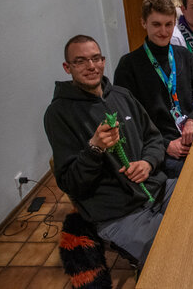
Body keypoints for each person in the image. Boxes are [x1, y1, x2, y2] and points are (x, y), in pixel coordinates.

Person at [44, 35, 174, 267]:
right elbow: (71, 183)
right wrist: (94, 148)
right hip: (119, 213)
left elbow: (154, 138)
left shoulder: (122, 95)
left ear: (103, 61)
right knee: (172, 257)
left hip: (157, 188)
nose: (91, 66)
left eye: (96, 58)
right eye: (81, 61)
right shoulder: (58, 114)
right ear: (67, 67)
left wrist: (147, 163)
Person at [114, 0, 193, 178]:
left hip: (190, 134)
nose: (163, 31)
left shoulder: (183, 55)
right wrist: (164, 145)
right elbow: (127, 118)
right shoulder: (128, 65)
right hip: (158, 147)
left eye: (168, 25)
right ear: (143, 23)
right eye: (156, 25)